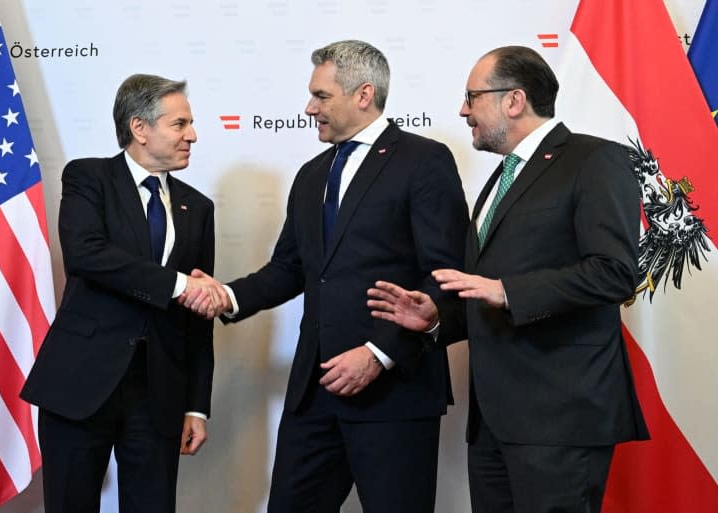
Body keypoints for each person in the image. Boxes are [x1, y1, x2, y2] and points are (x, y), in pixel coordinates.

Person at [182, 40, 468, 512]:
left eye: (320, 95)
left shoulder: (424, 161)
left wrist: (379, 355)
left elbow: (445, 278)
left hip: (394, 394)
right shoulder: (312, 174)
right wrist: (226, 297)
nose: (309, 107)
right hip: (314, 394)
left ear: (363, 94)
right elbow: (289, 269)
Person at [367, 46, 649, 513]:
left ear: (514, 100)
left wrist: (506, 290)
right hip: (494, 423)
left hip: (560, 418)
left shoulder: (595, 160)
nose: (463, 110)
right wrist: (436, 321)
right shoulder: (500, 179)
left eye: (472, 97)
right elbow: (487, 299)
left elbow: (615, 273)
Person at [20, 74, 217, 513]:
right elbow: (87, 256)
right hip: (80, 385)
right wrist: (180, 284)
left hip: (159, 394)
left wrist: (197, 406)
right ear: (140, 128)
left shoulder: (198, 208)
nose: (193, 135)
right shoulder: (88, 177)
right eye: (180, 124)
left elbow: (197, 319)